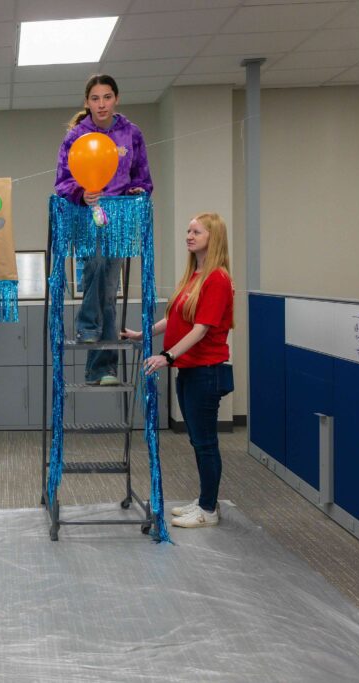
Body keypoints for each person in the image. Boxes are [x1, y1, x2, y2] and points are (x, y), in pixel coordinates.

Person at [124, 212, 235, 529]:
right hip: (188, 370)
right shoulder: (193, 276)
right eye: (188, 231)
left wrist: (167, 356)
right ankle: (205, 500)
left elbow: (201, 329)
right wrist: (142, 334)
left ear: (213, 237)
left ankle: (208, 510)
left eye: (196, 232)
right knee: (197, 441)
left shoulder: (217, 279)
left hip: (206, 371)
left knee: (206, 443)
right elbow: (175, 319)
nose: (189, 236)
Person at [55, 74, 153, 386]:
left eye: (107, 97)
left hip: (119, 217)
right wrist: (80, 193)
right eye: (95, 98)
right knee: (95, 264)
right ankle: (86, 326)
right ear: (87, 102)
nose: (101, 104)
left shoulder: (131, 133)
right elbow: (62, 182)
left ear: (116, 99)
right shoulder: (76, 136)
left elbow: (143, 177)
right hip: (88, 215)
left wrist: (138, 190)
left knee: (110, 290)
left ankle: (102, 369)